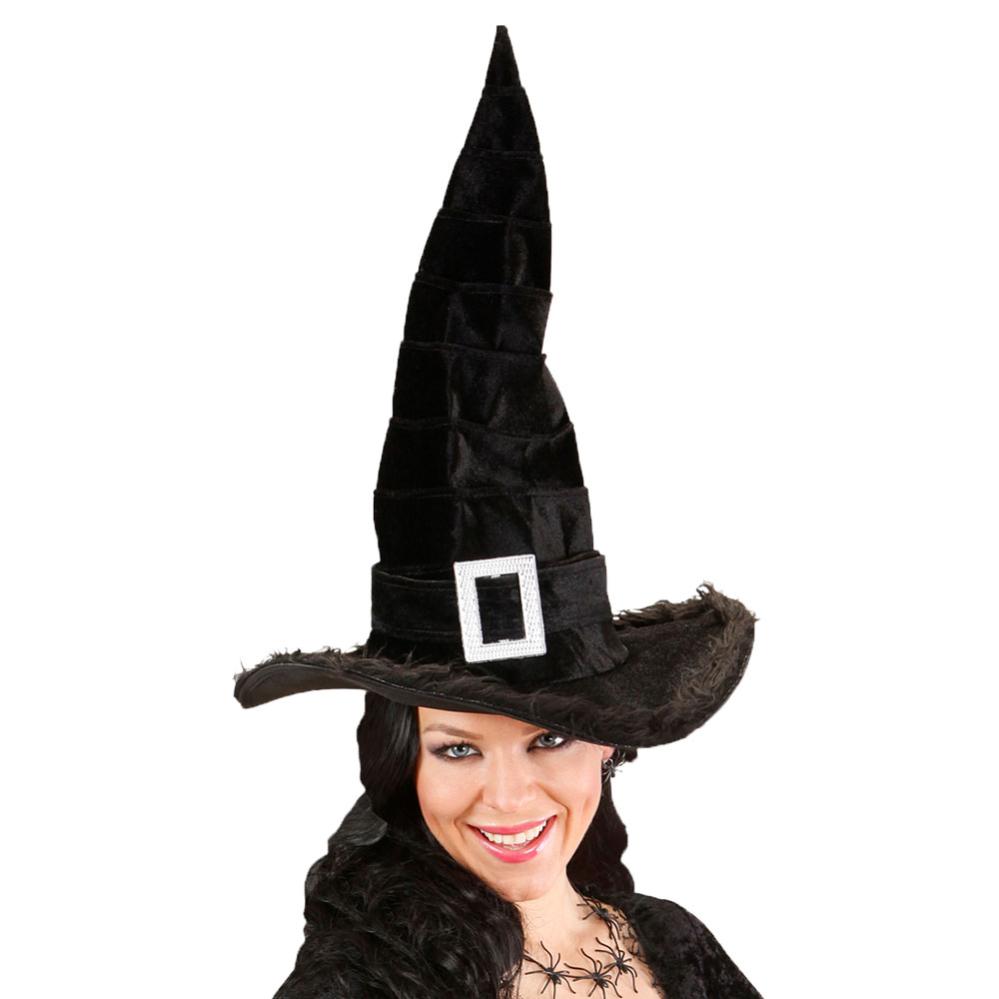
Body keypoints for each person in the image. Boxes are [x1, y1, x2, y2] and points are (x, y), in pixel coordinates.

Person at [234, 24, 762, 999]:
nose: (508, 795)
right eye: (457, 746)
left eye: (548, 737)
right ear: (402, 757)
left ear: (609, 742)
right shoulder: (365, 980)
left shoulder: (673, 942)